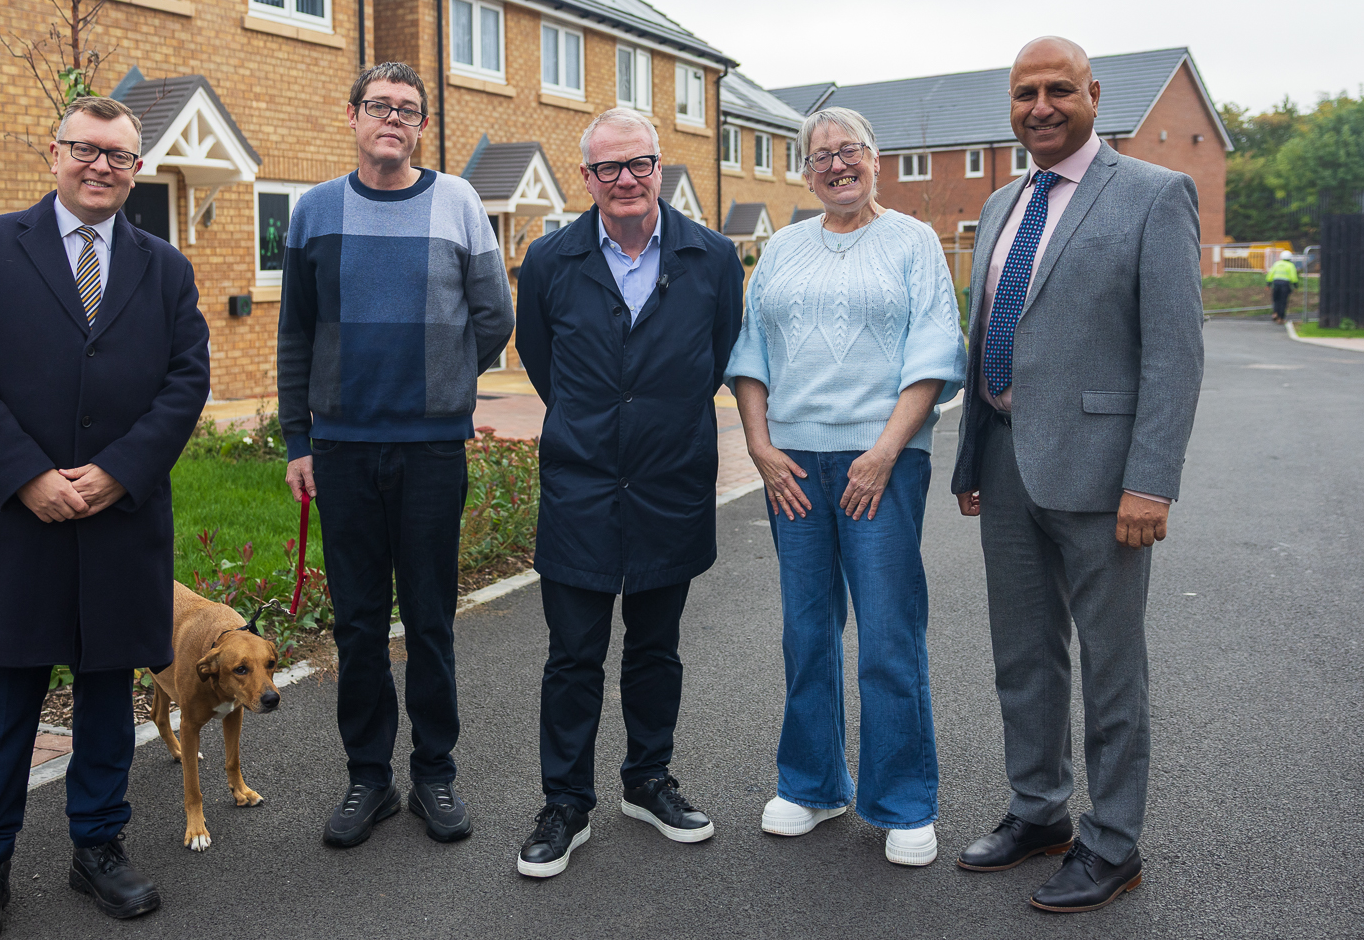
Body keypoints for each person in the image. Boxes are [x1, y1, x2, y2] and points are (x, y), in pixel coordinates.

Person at [0, 96, 210, 938]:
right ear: (54, 154)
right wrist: (26, 477)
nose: (100, 167)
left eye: (119, 157)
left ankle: (99, 850)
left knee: (103, 698)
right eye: (86, 150)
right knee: (4, 701)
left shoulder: (166, 268)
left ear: (137, 170)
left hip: (120, 522)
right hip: (12, 522)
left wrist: (121, 472)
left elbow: (185, 382)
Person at [950, 37, 1204, 913]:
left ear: (1095, 95)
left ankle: (1113, 843)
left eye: (1060, 89)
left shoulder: (1154, 194)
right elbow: (989, 333)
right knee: (1023, 656)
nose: (1041, 105)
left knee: (1111, 666)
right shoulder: (998, 205)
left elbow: (1174, 353)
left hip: (1104, 479)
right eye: (1026, 92)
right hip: (1009, 464)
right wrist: (971, 456)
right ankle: (1040, 811)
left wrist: (1152, 481)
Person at [277, 61, 514, 849]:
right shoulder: (313, 211)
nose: (393, 119)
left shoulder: (458, 203)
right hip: (341, 451)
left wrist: (440, 380)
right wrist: (299, 441)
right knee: (357, 624)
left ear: (419, 126)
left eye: (408, 110)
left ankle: (434, 775)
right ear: (351, 116)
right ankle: (368, 779)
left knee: (431, 619)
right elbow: (295, 336)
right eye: (379, 106)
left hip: (431, 451)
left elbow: (493, 317)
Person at [726, 107, 967, 867]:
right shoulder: (785, 247)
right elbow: (752, 350)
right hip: (792, 465)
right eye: (821, 155)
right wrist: (759, 445)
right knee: (806, 630)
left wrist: (883, 451)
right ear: (806, 171)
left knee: (889, 632)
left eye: (850, 151)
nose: (837, 164)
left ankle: (903, 803)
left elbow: (934, 350)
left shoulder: (913, 241)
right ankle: (812, 785)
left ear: (876, 159)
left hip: (882, 465)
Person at [511, 107, 744, 878]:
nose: (625, 179)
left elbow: (711, 359)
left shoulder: (711, 258)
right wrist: (601, 421)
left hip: (669, 483)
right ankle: (565, 803)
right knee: (573, 654)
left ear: (660, 166)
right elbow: (547, 367)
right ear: (587, 178)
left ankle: (648, 780)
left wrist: (650, 420)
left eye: (638, 163)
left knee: (655, 647)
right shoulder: (548, 260)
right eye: (607, 168)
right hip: (580, 484)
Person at [1267, 251, 1299, 322]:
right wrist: (1295, 285)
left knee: (1276, 299)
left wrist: (1268, 284)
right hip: (1285, 284)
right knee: (1283, 301)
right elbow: (1293, 276)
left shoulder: (1276, 264)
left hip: (1276, 283)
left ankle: (1275, 313)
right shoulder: (1290, 265)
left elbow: (1271, 273)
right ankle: (1280, 318)